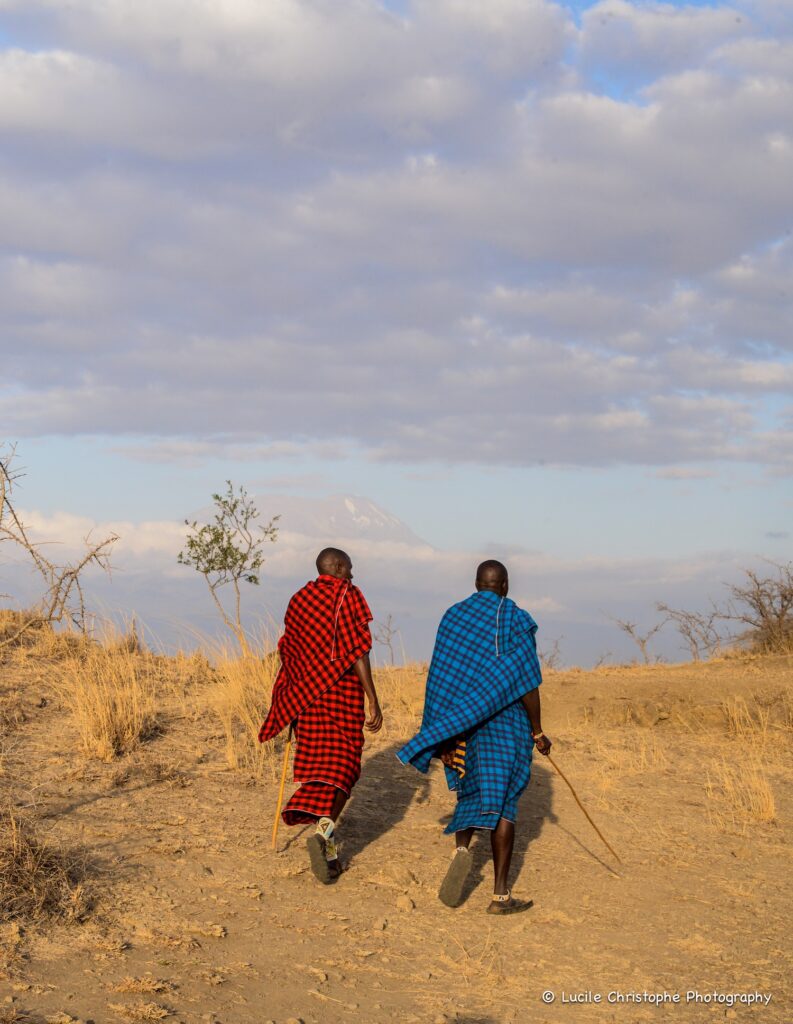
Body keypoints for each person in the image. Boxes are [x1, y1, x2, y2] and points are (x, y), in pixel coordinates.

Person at [397, 559, 551, 914]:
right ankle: (500, 895)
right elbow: (528, 683)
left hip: (463, 726)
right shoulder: (513, 618)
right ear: (505, 585)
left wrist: (444, 735)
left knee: (471, 790)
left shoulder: (454, 617)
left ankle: (462, 849)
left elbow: (440, 678)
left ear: (476, 583)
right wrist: (538, 731)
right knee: (504, 804)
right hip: (506, 726)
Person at [259, 548, 383, 883]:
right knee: (344, 769)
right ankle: (324, 833)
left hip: (306, 700)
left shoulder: (299, 599)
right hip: (341, 696)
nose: (353, 576)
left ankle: (328, 853)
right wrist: (373, 698)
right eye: (350, 569)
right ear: (339, 568)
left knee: (318, 769)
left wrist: (290, 693)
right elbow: (359, 650)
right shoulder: (348, 595)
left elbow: (289, 649)